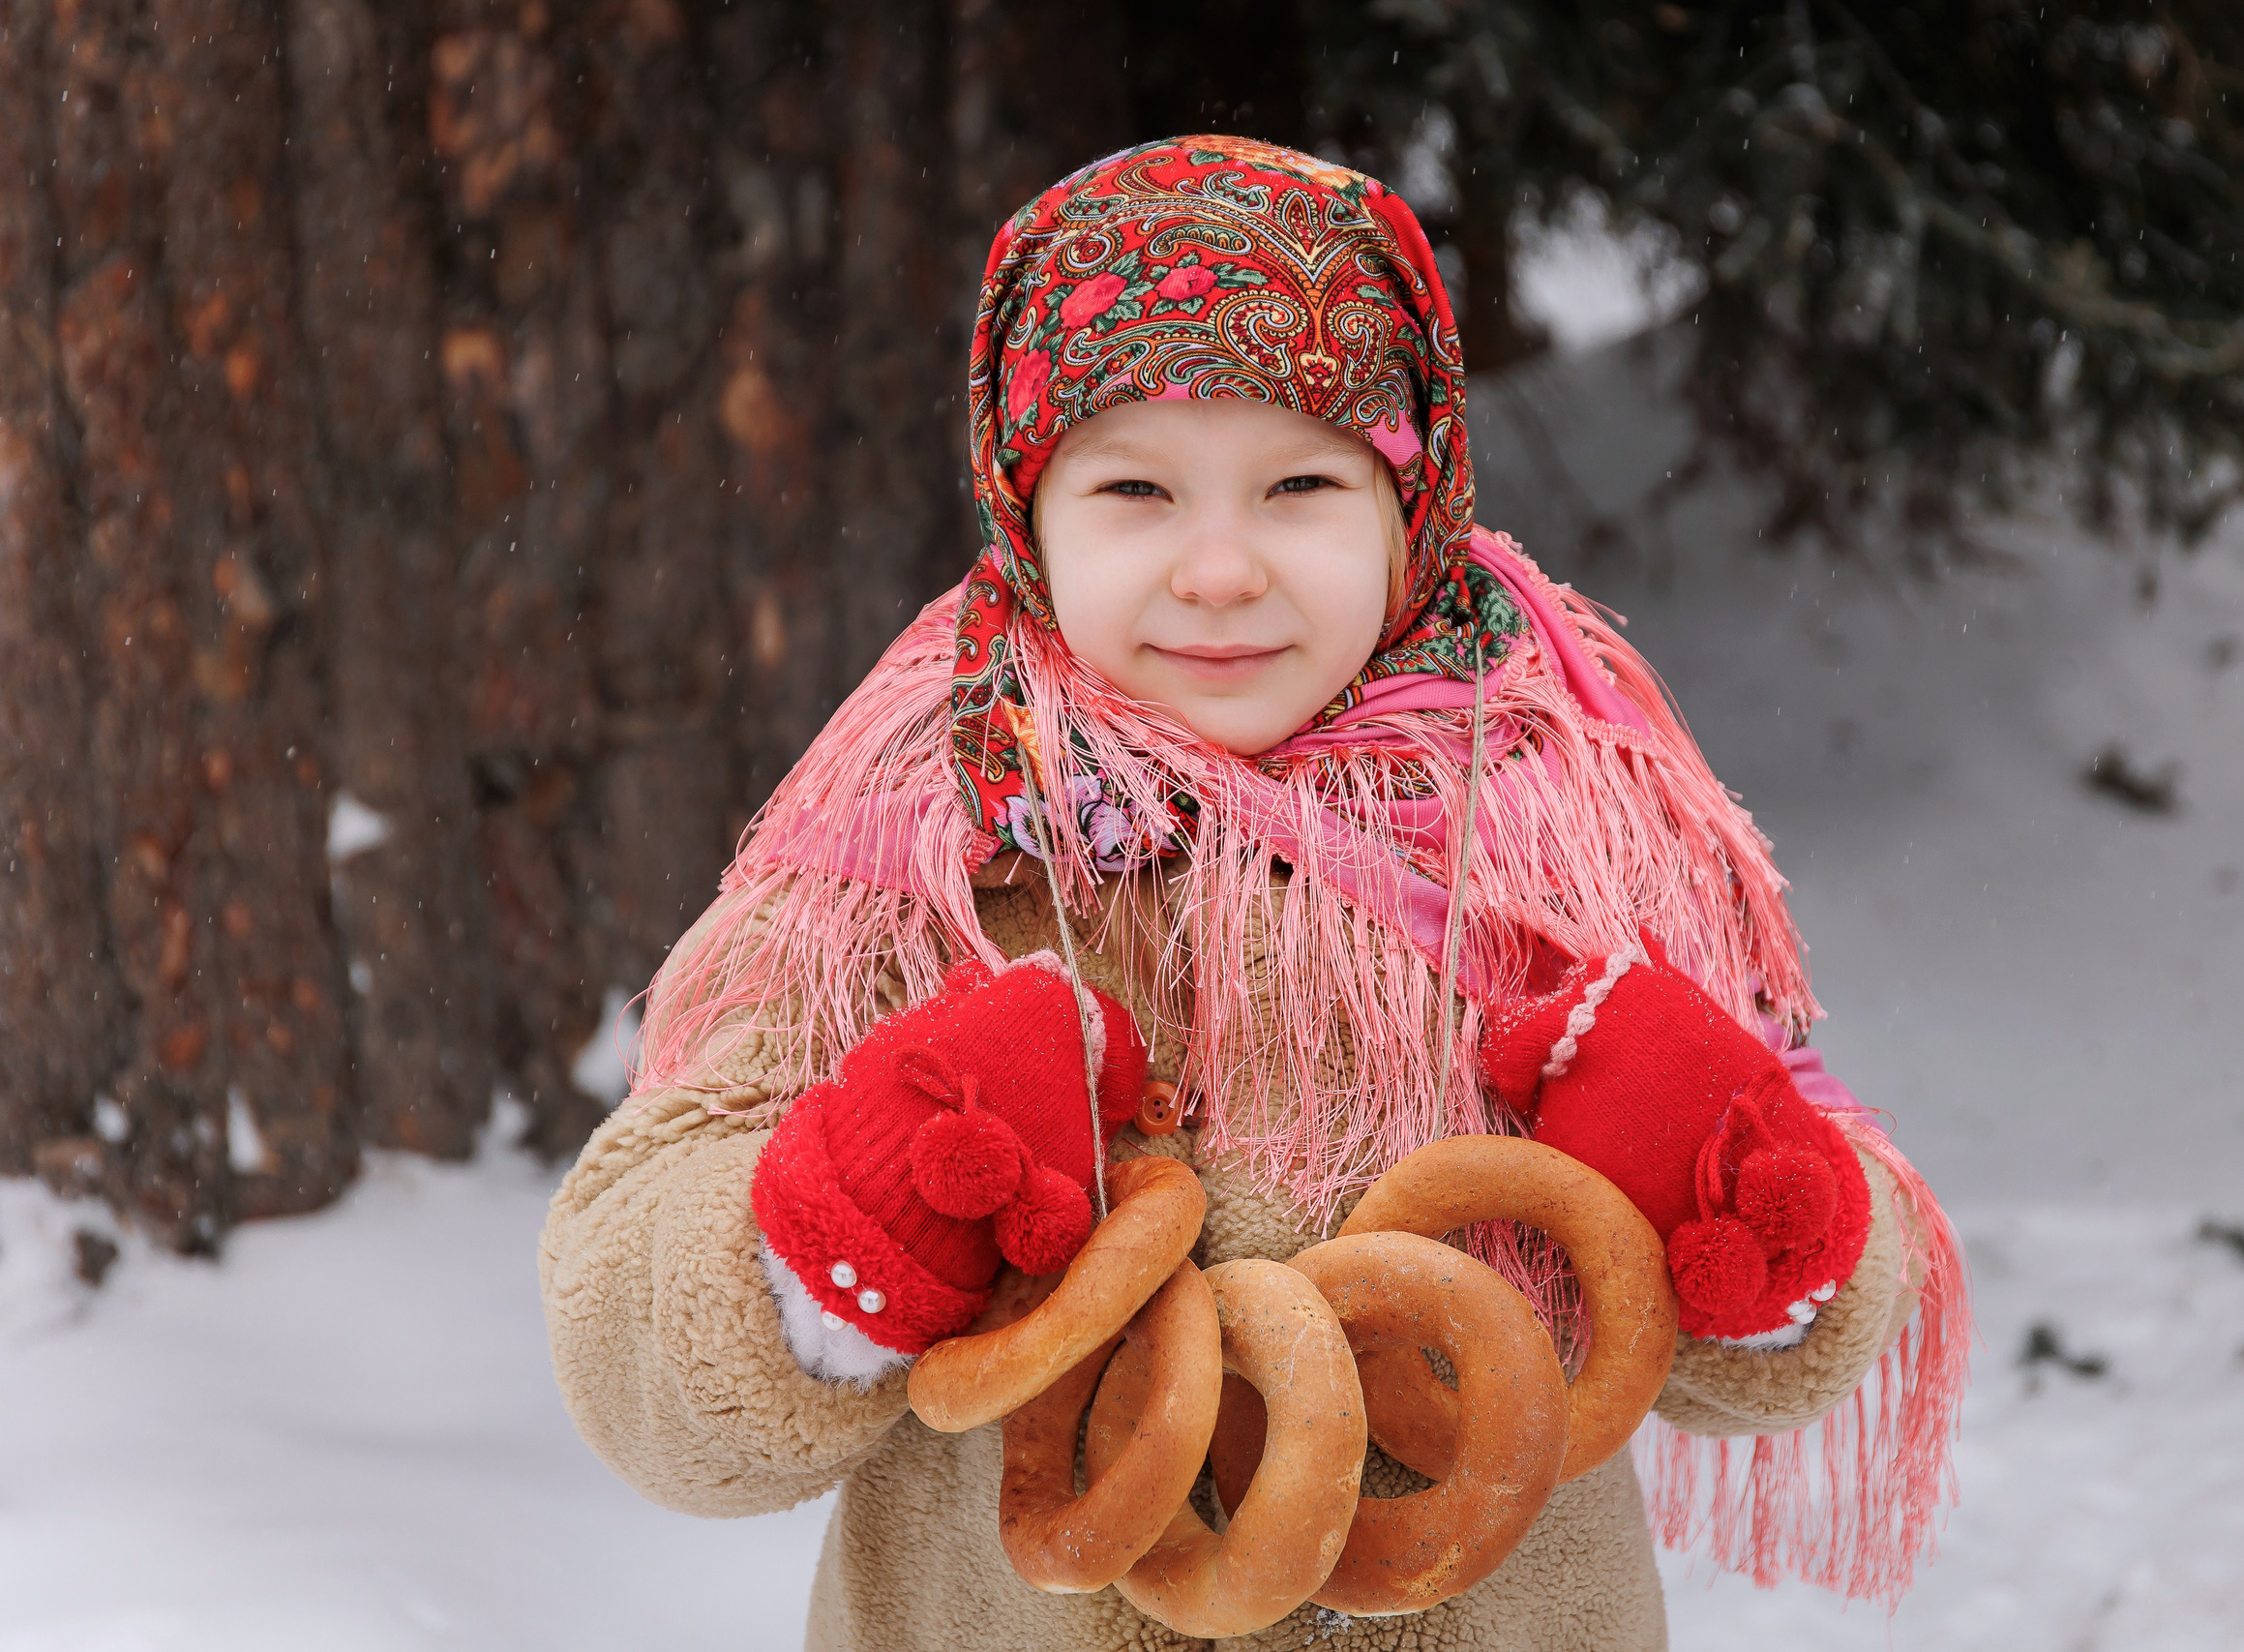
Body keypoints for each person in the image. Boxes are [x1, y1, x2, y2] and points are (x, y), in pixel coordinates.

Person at [541, 135, 1967, 1652]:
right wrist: (849, 1228)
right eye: (1135, 489)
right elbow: (649, 1382)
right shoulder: (906, 858)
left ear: (1410, 502)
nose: (1219, 571)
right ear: (1025, 507)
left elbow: (1788, 1345)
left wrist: (1740, 1194)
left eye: (1299, 484)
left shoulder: (1569, 830)